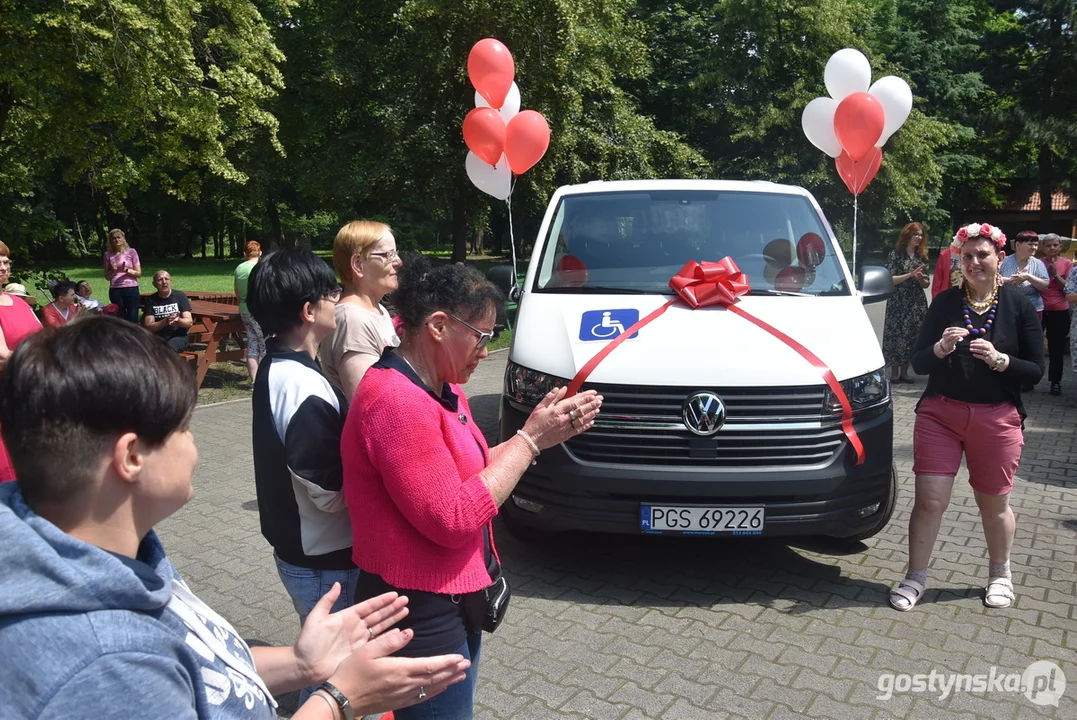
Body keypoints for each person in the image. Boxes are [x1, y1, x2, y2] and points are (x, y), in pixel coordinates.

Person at [0, 316, 470, 718]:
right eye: (182, 428)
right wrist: (338, 700)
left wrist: (301, 663)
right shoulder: (103, 666)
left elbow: (196, 666)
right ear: (131, 458)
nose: (194, 447)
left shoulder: (105, 556)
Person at [341, 254, 603, 719]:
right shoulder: (395, 402)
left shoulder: (442, 386)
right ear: (439, 326)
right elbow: (453, 517)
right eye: (482, 337)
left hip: (450, 598)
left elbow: (476, 472)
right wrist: (528, 440)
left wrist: (543, 436)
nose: (487, 350)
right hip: (418, 610)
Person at [889, 222, 1044, 613]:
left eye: (983, 255)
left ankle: (1000, 574)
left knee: (993, 505)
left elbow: (1035, 370)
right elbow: (919, 361)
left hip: (997, 418)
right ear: (959, 259)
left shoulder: (1019, 304)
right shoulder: (943, 302)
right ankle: (915, 577)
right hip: (941, 413)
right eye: (968, 256)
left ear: (999, 258)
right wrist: (939, 349)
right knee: (929, 501)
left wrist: (1000, 359)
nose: (975, 262)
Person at [247, 248, 360, 704]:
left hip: (299, 547)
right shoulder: (301, 385)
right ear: (309, 311)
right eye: (332, 293)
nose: (339, 298)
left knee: (318, 653)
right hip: (322, 555)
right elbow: (326, 487)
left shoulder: (278, 366)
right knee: (328, 666)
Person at [319, 221, 401, 400]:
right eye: (389, 255)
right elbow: (371, 405)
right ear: (358, 264)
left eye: (396, 253)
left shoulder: (377, 309)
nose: (398, 262)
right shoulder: (352, 320)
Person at [0, 242, 43, 483]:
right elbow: (2, 356)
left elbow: (43, 337)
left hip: (30, 391)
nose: (3, 266)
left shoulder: (18, 302)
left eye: (5, 261)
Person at [882, 223, 930, 383]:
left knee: (912, 335)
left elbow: (926, 284)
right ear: (907, 236)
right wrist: (910, 275)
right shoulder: (895, 255)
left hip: (915, 301)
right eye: (916, 234)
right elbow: (890, 279)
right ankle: (894, 372)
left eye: (921, 235)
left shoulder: (922, 256)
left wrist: (921, 279)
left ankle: (905, 371)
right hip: (898, 300)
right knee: (895, 334)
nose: (919, 237)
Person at [1039, 234, 1072, 395]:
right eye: (1048, 245)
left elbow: (1069, 289)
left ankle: (1055, 382)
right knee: (1032, 345)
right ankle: (1029, 380)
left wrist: (1055, 275)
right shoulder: (1038, 264)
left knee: (1056, 349)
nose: (1052, 248)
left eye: (1055, 245)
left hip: (1060, 311)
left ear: (1060, 247)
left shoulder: (1067, 264)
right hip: (1039, 310)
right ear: (1043, 248)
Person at [235, 241, 266, 382]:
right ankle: (266, 379)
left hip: (244, 309)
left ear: (244, 254)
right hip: (259, 310)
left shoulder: (239, 268)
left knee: (253, 345)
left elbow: (237, 292)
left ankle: (254, 381)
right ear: (260, 253)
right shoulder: (261, 268)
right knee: (265, 344)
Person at [142, 270, 194, 351]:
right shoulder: (151, 300)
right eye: (160, 280)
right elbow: (148, 326)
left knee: (167, 349)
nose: (164, 282)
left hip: (178, 336)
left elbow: (189, 322)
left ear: (171, 281)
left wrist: (178, 320)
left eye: (166, 279)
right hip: (157, 337)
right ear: (154, 284)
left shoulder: (180, 296)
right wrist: (165, 321)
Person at [103, 228, 142, 323]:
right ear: (110, 240)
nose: (116, 240)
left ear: (123, 238)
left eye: (118, 237)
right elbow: (107, 277)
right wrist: (113, 270)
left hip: (131, 288)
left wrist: (127, 270)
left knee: (133, 317)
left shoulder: (132, 252)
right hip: (115, 290)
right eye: (113, 238)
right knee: (120, 319)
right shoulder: (107, 254)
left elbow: (139, 274)